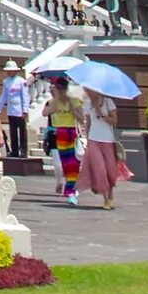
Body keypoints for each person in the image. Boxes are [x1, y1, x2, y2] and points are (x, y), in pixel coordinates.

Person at [81, 86, 128, 209]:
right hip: (93, 140)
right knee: (100, 170)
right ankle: (106, 199)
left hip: (108, 140)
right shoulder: (87, 104)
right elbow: (88, 122)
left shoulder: (108, 102)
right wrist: (86, 137)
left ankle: (111, 195)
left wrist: (101, 114)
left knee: (109, 171)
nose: (87, 92)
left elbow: (114, 121)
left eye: (89, 90)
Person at [47, 72, 83, 204]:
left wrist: (73, 110)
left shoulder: (74, 100)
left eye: (59, 89)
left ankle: (71, 191)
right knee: (65, 164)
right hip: (60, 134)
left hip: (71, 132)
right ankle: (71, 188)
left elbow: (82, 119)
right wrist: (54, 103)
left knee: (73, 163)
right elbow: (45, 113)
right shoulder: (54, 102)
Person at [0, 62, 32, 160]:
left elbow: (25, 96)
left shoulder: (22, 82)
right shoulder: (6, 82)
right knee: (13, 131)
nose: (8, 72)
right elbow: (3, 96)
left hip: (19, 109)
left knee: (22, 131)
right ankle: (15, 151)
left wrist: (25, 110)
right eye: (7, 71)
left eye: (10, 70)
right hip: (11, 109)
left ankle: (23, 150)